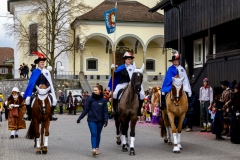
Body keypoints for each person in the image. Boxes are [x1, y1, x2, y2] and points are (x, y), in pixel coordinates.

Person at [23, 51, 58, 121]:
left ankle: (51, 114)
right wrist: (36, 88)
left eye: (43, 62)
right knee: (27, 100)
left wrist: (47, 88)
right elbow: (32, 82)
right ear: (38, 63)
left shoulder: (46, 72)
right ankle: (28, 114)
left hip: (46, 91)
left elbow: (49, 82)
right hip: (37, 90)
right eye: (41, 62)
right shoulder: (35, 72)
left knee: (54, 100)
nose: (42, 63)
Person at [108, 51, 144, 116]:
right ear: (125, 60)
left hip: (132, 85)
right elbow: (114, 75)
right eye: (128, 59)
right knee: (115, 93)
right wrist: (112, 69)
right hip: (122, 84)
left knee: (142, 94)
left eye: (130, 59)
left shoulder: (134, 67)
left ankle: (139, 110)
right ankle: (115, 109)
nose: (129, 60)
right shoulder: (121, 68)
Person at [76, 85, 108, 156]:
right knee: (94, 133)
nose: (94, 91)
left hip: (100, 120)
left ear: (100, 91)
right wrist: (80, 118)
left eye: (96, 90)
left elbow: (105, 111)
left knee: (98, 134)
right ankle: (93, 148)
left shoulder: (103, 100)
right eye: (94, 90)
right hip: (91, 119)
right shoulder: (90, 99)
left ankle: (97, 148)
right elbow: (86, 109)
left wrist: (106, 120)